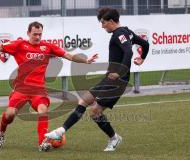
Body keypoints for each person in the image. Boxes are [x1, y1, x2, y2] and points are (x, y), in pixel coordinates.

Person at [45, 7, 149, 152]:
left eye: (103, 22)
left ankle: (114, 138)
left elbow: (129, 51)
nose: (102, 26)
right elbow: (145, 44)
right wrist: (142, 58)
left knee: (94, 112)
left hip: (117, 82)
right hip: (109, 79)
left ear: (111, 21)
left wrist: (120, 72)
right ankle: (61, 131)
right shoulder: (127, 31)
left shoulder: (119, 33)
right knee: (83, 100)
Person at [0, 21, 98, 151]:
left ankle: (43, 143)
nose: (37, 37)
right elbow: (0, 47)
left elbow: (67, 55)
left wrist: (85, 61)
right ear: (28, 33)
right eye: (35, 34)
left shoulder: (47, 47)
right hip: (21, 89)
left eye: (40, 34)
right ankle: (2, 132)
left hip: (38, 90)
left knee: (43, 110)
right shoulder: (19, 45)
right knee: (10, 114)